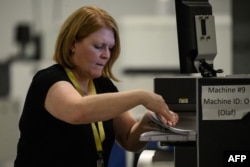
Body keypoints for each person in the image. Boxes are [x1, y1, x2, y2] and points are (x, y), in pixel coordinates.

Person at [14, 5, 179, 167]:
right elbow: (78, 111)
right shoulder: (48, 80)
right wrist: (142, 96)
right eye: (98, 46)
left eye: (110, 48)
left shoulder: (102, 85)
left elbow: (130, 141)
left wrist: (148, 121)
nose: (106, 55)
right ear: (73, 44)